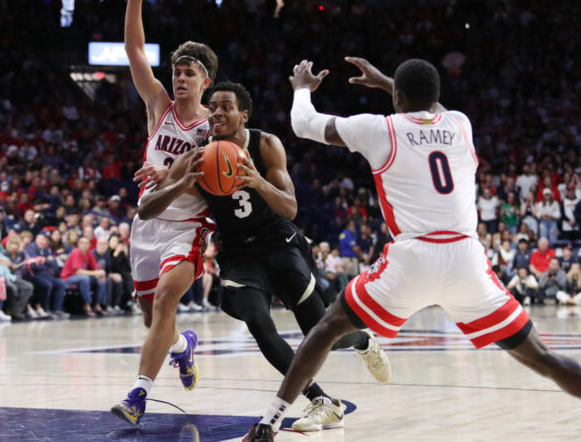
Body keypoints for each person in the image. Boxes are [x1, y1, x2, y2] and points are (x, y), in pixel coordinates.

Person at [241, 58, 581, 441]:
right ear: (434, 95)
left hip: (413, 260)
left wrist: (301, 86)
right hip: (466, 260)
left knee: (326, 329)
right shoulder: (460, 124)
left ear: (397, 98)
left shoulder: (380, 128)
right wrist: (389, 83)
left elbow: (303, 124)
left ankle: (269, 421)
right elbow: (430, 106)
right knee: (543, 358)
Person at [138, 81, 391, 432]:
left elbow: (290, 208)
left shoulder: (266, 144)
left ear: (243, 115)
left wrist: (257, 181)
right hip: (239, 252)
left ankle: (362, 340)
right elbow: (146, 209)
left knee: (322, 332)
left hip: (279, 242)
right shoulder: (197, 156)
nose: (216, 113)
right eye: (212, 107)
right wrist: (180, 184)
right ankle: (321, 401)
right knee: (258, 321)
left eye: (225, 106)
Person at [111, 0, 219, 426]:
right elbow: (135, 51)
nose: (179, 77)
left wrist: (173, 176)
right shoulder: (159, 105)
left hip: (188, 229)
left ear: (206, 82)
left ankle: (138, 395)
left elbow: (214, 175)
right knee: (152, 322)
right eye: (176, 70)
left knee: (163, 304)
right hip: (146, 224)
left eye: (189, 72)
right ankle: (182, 346)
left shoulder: (215, 128)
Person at [60, 236, 102, 317]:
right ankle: (87, 305)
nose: (84, 245)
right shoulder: (76, 252)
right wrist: (96, 273)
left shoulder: (89, 253)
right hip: (68, 277)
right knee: (85, 278)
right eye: (82, 243)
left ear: (90, 245)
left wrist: (99, 274)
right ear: (78, 244)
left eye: (86, 243)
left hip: (81, 278)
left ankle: (98, 304)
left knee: (99, 280)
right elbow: (78, 272)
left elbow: (96, 269)